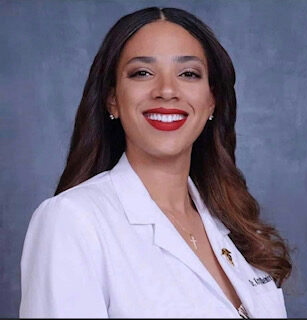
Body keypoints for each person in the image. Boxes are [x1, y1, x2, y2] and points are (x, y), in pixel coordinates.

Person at [19, 6, 292, 318]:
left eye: (188, 74)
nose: (166, 90)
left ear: (212, 99)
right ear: (113, 99)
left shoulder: (234, 223)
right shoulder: (72, 221)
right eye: (142, 73)